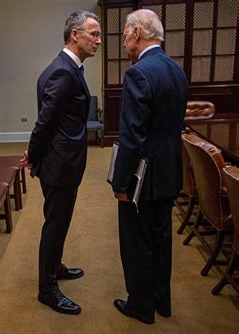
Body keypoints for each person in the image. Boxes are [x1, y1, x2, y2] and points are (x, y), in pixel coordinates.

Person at [20, 10, 101, 315]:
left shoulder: (67, 67)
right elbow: (44, 123)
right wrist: (33, 154)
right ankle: (47, 289)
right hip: (59, 165)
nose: (98, 40)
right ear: (74, 35)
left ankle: (56, 266)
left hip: (62, 161)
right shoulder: (63, 71)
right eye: (93, 34)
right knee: (55, 225)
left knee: (60, 222)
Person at [111, 9, 189, 324]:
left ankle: (140, 306)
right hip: (170, 172)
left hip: (142, 178)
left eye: (126, 34)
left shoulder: (138, 73)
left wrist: (119, 183)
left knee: (136, 242)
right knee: (162, 239)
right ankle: (161, 300)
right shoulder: (176, 69)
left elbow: (132, 137)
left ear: (138, 33)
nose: (124, 41)